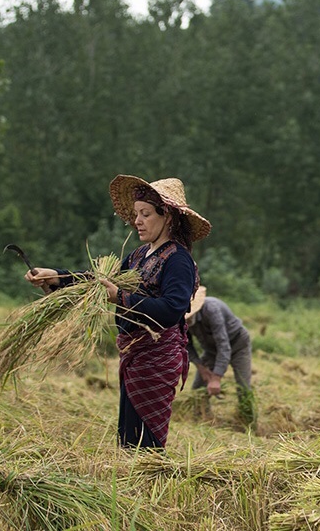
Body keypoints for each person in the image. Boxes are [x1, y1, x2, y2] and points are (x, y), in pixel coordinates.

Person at [26, 175, 210, 449]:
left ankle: (149, 485)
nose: (137, 221)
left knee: (145, 443)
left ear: (168, 216)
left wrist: (120, 297)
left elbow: (172, 310)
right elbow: (101, 280)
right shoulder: (139, 256)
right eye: (136, 214)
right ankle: (131, 485)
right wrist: (56, 277)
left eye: (145, 214)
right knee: (127, 438)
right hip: (132, 355)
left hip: (156, 360)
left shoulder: (177, 260)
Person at [185, 286, 253, 400]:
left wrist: (216, 378)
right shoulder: (179, 319)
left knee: (243, 388)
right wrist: (201, 367)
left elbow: (223, 346)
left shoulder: (211, 309)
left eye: (188, 316)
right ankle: (202, 415)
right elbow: (186, 345)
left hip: (238, 344)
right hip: (211, 350)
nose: (186, 320)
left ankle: (247, 416)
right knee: (198, 389)